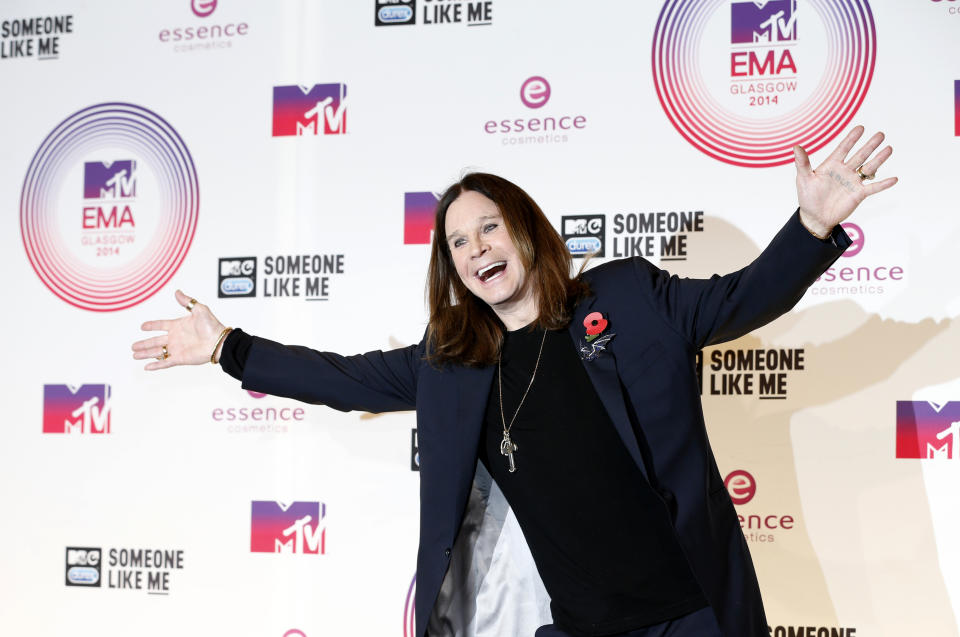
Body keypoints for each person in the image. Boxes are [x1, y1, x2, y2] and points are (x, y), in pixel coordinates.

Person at [133, 127, 896, 637]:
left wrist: (810, 227)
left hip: (691, 612)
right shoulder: (454, 361)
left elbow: (742, 296)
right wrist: (227, 347)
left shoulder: (627, 299)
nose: (476, 248)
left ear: (525, 230)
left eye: (489, 226)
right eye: (458, 242)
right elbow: (344, 378)